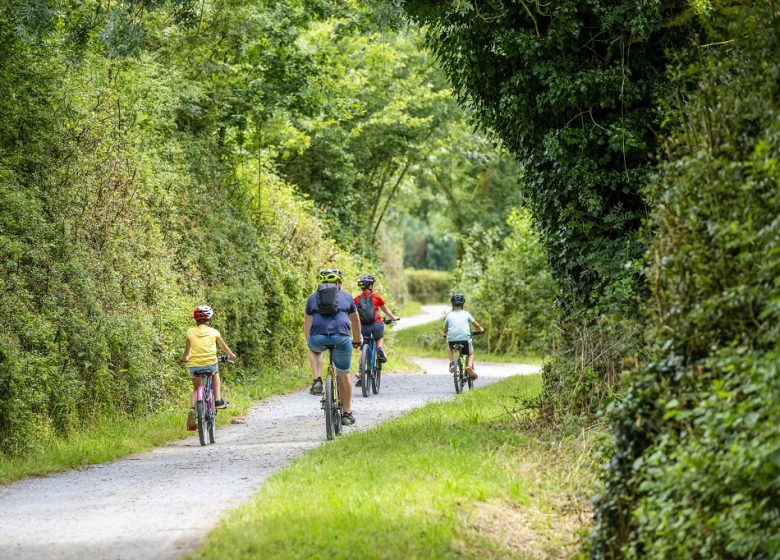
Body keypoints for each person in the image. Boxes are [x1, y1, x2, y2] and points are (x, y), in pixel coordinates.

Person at [304, 268, 362, 426]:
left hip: (318, 337)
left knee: (314, 351)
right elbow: (355, 320)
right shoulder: (347, 296)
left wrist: (311, 341)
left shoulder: (312, 298)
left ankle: (317, 380)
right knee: (344, 374)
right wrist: (356, 339)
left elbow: (307, 325)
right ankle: (347, 414)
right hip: (341, 337)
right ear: (339, 283)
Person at [180, 305, 237, 430]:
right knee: (215, 373)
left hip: (194, 366)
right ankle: (217, 400)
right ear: (210, 320)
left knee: (196, 388)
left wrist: (184, 359)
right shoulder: (214, 332)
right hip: (211, 364)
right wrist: (231, 356)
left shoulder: (190, 332)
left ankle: (192, 408)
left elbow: (187, 351)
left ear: (196, 320)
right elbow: (224, 348)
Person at [353, 274, 398, 387]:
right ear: (370, 286)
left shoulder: (356, 299)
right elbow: (386, 310)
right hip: (376, 324)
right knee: (379, 337)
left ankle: (360, 373)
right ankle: (380, 349)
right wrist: (394, 318)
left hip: (364, 327)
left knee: (363, 348)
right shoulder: (377, 297)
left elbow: (353, 314)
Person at [443, 293, 485, 379]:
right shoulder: (466, 314)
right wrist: (480, 329)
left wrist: (445, 334)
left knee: (449, 344)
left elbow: (445, 330)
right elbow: (475, 324)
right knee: (471, 353)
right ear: (463, 304)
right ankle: (469, 366)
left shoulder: (449, 315)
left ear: (452, 304)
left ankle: (451, 364)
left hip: (452, 340)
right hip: (465, 339)